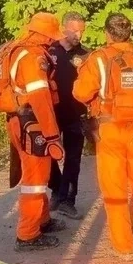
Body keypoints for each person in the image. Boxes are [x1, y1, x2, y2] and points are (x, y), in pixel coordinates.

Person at [72, 13, 133, 260]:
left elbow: (81, 93)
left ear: (107, 33)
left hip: (110, 130)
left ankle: (125, 247)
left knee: (114, 190)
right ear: (130, 33)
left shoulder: (99, 59)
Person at [0, 12, 68, 251]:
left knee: (39, 175)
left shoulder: (14, 49)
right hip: (33, 123)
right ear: (44, 35)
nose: (52, 41)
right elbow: (40, 98)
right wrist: (53, 136)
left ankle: (41, 220)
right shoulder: (33, 57)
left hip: (19, 122)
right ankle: (27, 235)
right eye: (51, 37)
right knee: (35, 181)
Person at [46, 12, 89, 219]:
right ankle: (56, 189)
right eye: (75, 30)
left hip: (76, 114)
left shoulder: (86, 55)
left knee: (73, 159)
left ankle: (67, 200)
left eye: (82, 30)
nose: (78, 35)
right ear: (64, 29)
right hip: (51, 114)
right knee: (48, 156)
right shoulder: (48, 50)